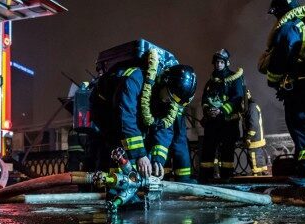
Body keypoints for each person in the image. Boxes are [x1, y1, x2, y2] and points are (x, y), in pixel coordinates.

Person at [91, 49, 196, 179]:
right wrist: (140, 154)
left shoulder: (167, 99)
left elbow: (164, 128)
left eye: (173, 101)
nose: (169, 102)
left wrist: (158, 159)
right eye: (169, 97)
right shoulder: (134, 79)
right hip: (106, 109)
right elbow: (127, 118)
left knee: (140, 149)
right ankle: (111, 185)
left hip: (127, 111)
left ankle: (133, 181)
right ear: (164, 81)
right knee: (116, 143)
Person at [260, 0, 305, 185]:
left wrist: (273, 80)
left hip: (297, 85)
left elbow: (281, 57)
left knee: (302, 126)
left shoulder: (290, 27)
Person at [199, 49, 245, 183]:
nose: (218, 65)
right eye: (216, 62)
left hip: (228, 123)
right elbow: (205, 100)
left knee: (227, 151)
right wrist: (208, 110)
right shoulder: (210, 82)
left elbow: (237, 98)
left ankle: (227, 178)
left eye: (221, 62)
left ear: (226, 63)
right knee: (208, 150)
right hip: (212, 123)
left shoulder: (234, 78)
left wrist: (222, 111)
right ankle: (205, 178)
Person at [242, 89, 268, 175]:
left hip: (254, 141)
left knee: (255, 165)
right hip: (257, 139)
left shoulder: (251, 107)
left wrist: (248, 137)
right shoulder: (253, 106)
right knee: (259, 163)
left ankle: (257, 179)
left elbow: (253, 125)